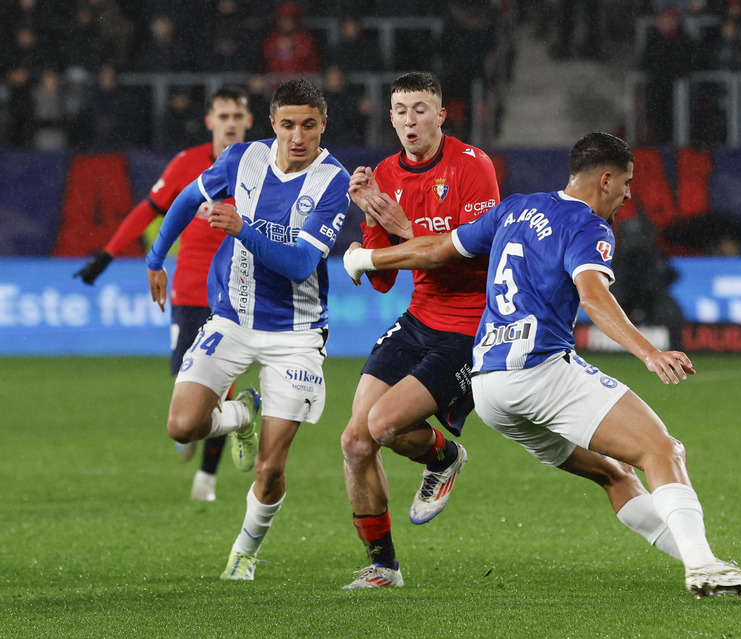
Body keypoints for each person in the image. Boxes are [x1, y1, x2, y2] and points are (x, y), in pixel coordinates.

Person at [343, 132, 741, 600]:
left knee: (613, 473)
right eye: (627, 183)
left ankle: (706, 560)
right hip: (541, 373)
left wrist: (368, 257)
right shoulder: (588, 226)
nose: (629, 194)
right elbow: (593, 296)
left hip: (490, 389)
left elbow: (434, 250)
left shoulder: (515, 208)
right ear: (605, 180)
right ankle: (703, 569)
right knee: (663, 451)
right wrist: (649, 351)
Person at [145, 78, 351, 581]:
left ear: (323, 124)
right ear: (272, 125)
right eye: (287, 125)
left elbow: (301, 262)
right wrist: (155, 258)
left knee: (269, 467)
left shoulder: (333, 182)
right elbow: (184, 199)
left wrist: (243, 229)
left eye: (308, 125)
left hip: (297, 335)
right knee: (182, 426)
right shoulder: (243, 159)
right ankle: (240, 414)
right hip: (233, 319)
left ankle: (245, 551)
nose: (297, 136)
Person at [339, 71, 500, 589]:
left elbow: (482, 258)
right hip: (418, 318)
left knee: (384, 427)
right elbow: (384, 279)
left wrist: (407, 230)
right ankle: (383, 568)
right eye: (401, 110)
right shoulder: (384, 172)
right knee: (355, 441)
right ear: (390, 116)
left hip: (470, 327)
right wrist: (370, 218)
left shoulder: (474, 167)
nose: (410, 120)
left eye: (421, 109)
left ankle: (445, 456)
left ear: (441, 114)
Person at [74, 86, 254, 502]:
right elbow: (149, 209)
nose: (230, 123)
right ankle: (198, 426)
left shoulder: (261, 167)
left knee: (222, 383)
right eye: (223, 116)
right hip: (190, 289)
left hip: (235, 291)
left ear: (248, 122)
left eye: (237, 116)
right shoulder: (187, 164)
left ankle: (207, 477)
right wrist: (106, 255)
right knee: (188, 382)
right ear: (210, 121)